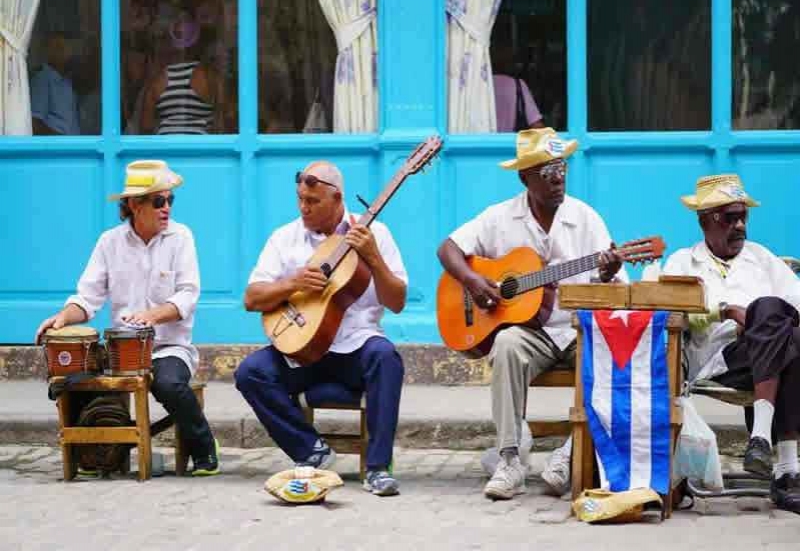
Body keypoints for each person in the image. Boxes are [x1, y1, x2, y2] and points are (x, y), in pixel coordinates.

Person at [436, 128, 627, 500]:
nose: (558, 177)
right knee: (506, 343)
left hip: (576, 331)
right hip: (532, 333)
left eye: (562, 166)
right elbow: (448, 249)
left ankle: (570, 454)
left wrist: (607, 273)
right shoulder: (499, 217)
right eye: (546, 170)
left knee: (611, 350)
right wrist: (474, 282)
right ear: (524, 177)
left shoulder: (586, 219)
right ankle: (509, 460)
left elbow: (619, 292)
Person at [35, 160, 219, 476]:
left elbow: (188, 295)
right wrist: (62, 318)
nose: (167, 208)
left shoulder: (181, 237)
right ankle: (93, 455)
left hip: (168, 347)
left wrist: (150, 316)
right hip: (120, 351)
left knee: (169, 385)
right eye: (159, 201)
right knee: (75, 380)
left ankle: (204, 451)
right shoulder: (110, 242)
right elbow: (87, 298)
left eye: (170, 200)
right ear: (134, 205)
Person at [235, 161, 407, 496]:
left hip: (356, 346)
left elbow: (397, 301)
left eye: (313, 201)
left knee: (386, 358)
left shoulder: (376, 234)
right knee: (250, 373)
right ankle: (310, 449)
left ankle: (377, 468)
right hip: (303, 349)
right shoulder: (284, 237)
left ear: (337, 197)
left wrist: (374, 259)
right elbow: (251, 298)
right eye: (300, 199)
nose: (304, 207)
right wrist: (292, 284)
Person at [663, 174, 800, 514]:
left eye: (743, 217)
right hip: (719, 362)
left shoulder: (762, 258)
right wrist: (723, 311)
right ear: (705, 220)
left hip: (767, 352)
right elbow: (666, 308)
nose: (739, 225)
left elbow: (796, 304)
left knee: (774, 318)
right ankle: (786, 467)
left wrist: (758, 324)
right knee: (772, 318)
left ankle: (763, 441)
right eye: (729, 217)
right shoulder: (683, 261)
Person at [140, 9, 224, 134]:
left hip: (165, 149)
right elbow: (223, 121)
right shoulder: (209, 76)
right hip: (202, 149)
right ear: (199, 43)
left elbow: (146, 125)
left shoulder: (158, 80)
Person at [30, 32, 81, 135]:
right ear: (49, 53)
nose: (67, 53)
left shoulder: (67, 81)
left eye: (69, 49)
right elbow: (35, 123)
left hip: (73, 148)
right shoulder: (43, 79)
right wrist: (62, 141)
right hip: (57, 148)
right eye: (59, 48)